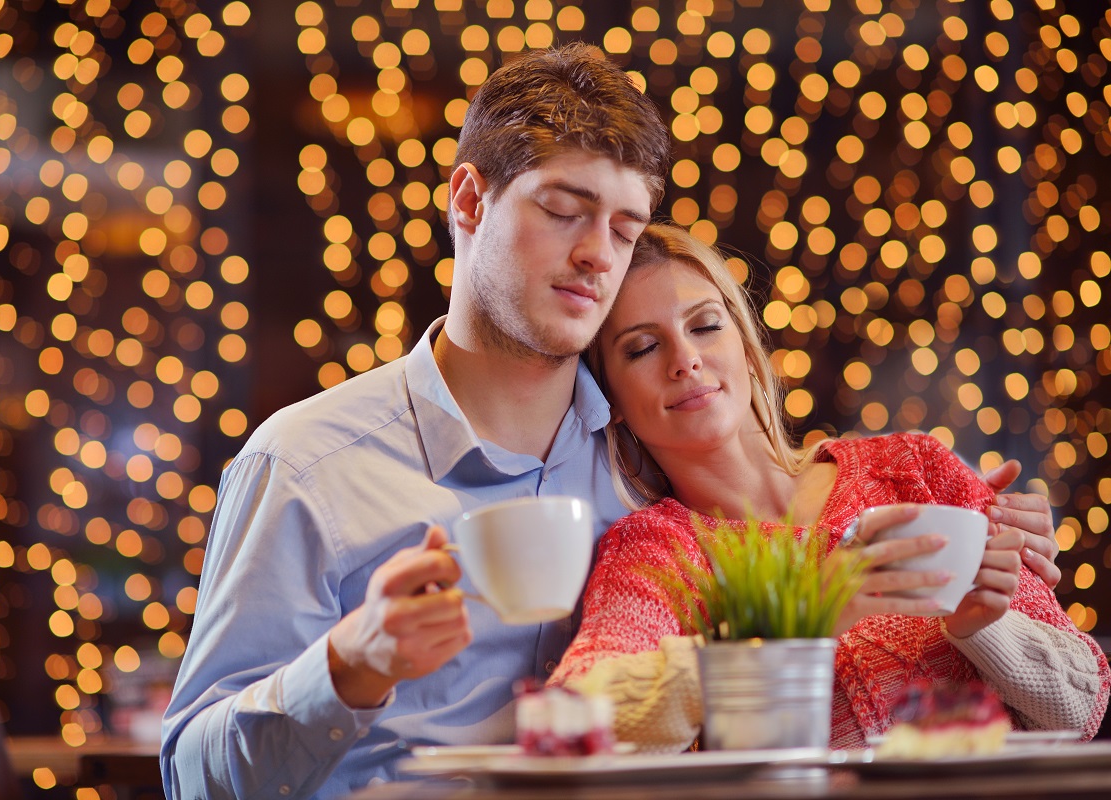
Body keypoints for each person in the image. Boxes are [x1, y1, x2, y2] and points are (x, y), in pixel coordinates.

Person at [163, 46, 1063, 798]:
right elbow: (189, 776)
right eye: (563, 211)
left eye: (626, 227)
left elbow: (803, 503)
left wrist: (993, 546)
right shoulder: (310, 462)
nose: (597, 253)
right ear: (469, 201)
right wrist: (349, 665)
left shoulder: (647, 463)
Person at [549, 223, 1110, 750]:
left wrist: (983, 628)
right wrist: (806, 614)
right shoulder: (656, 553)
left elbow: (1082, 707)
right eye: (642, 348)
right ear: (610, 403)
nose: (686, 360)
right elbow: (576, 716)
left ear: (745, 344)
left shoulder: (911, 468)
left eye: (705, 325)